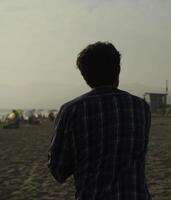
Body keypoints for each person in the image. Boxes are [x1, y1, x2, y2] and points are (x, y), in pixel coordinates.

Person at [48, 42, 151, 200]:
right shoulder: (140, 107)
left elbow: (58, 171)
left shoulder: (72, 110)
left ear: (85, 76)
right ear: (118, 70)